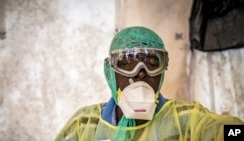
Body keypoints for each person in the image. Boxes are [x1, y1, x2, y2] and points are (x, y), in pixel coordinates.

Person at [54, 26, 243, 141]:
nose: (141, 74)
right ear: (110, 72)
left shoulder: (185, 119)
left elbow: (221, 130)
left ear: (161, 73)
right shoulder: (85, 125)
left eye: (152, 64)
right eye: (128, 64)